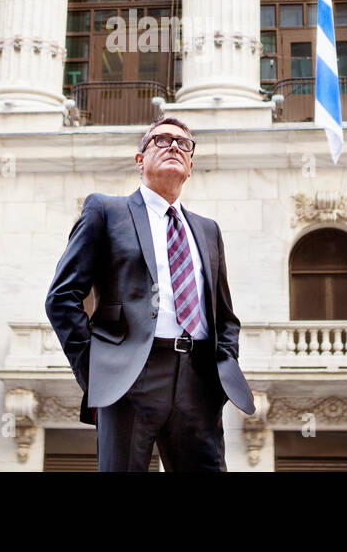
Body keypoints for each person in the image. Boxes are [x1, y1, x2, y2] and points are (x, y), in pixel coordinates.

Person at [45, 115, 255, 471]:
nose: (174, 145)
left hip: (198, 379)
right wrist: (98, 370)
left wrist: (222, 363)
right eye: (161, 140)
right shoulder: (106, 211)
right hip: (131, 377)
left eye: (183, 144)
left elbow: (224, 316)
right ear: (140, 159)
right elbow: (62, 297)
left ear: (190, 165)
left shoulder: (207, 230)